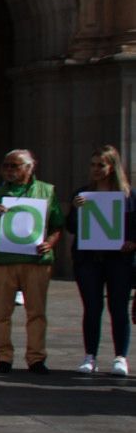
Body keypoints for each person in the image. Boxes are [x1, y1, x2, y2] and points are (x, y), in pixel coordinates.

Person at [0, 149, 64, 375]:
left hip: (36, 261)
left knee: (36, 312)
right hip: (4, 260)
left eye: (15, 166)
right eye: (6, 166)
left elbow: (57, 224)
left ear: (30, 168)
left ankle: (36, 357)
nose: (9, 170)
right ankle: (3, 356)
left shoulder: (46, 191)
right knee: (2, 313)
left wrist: (50, 243)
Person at [69, 146, 136, 377]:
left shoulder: (128, 196)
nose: (96, 169)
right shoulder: (83, 194)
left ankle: (120, 356)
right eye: (93, 164)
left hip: (119, 260)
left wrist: (132, 242)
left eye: (101, 165)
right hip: (89, 260)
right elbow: (71, 226)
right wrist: (76, 210)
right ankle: (90, 356)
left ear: (112, 167)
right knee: (92, 307)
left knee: (118, 307)